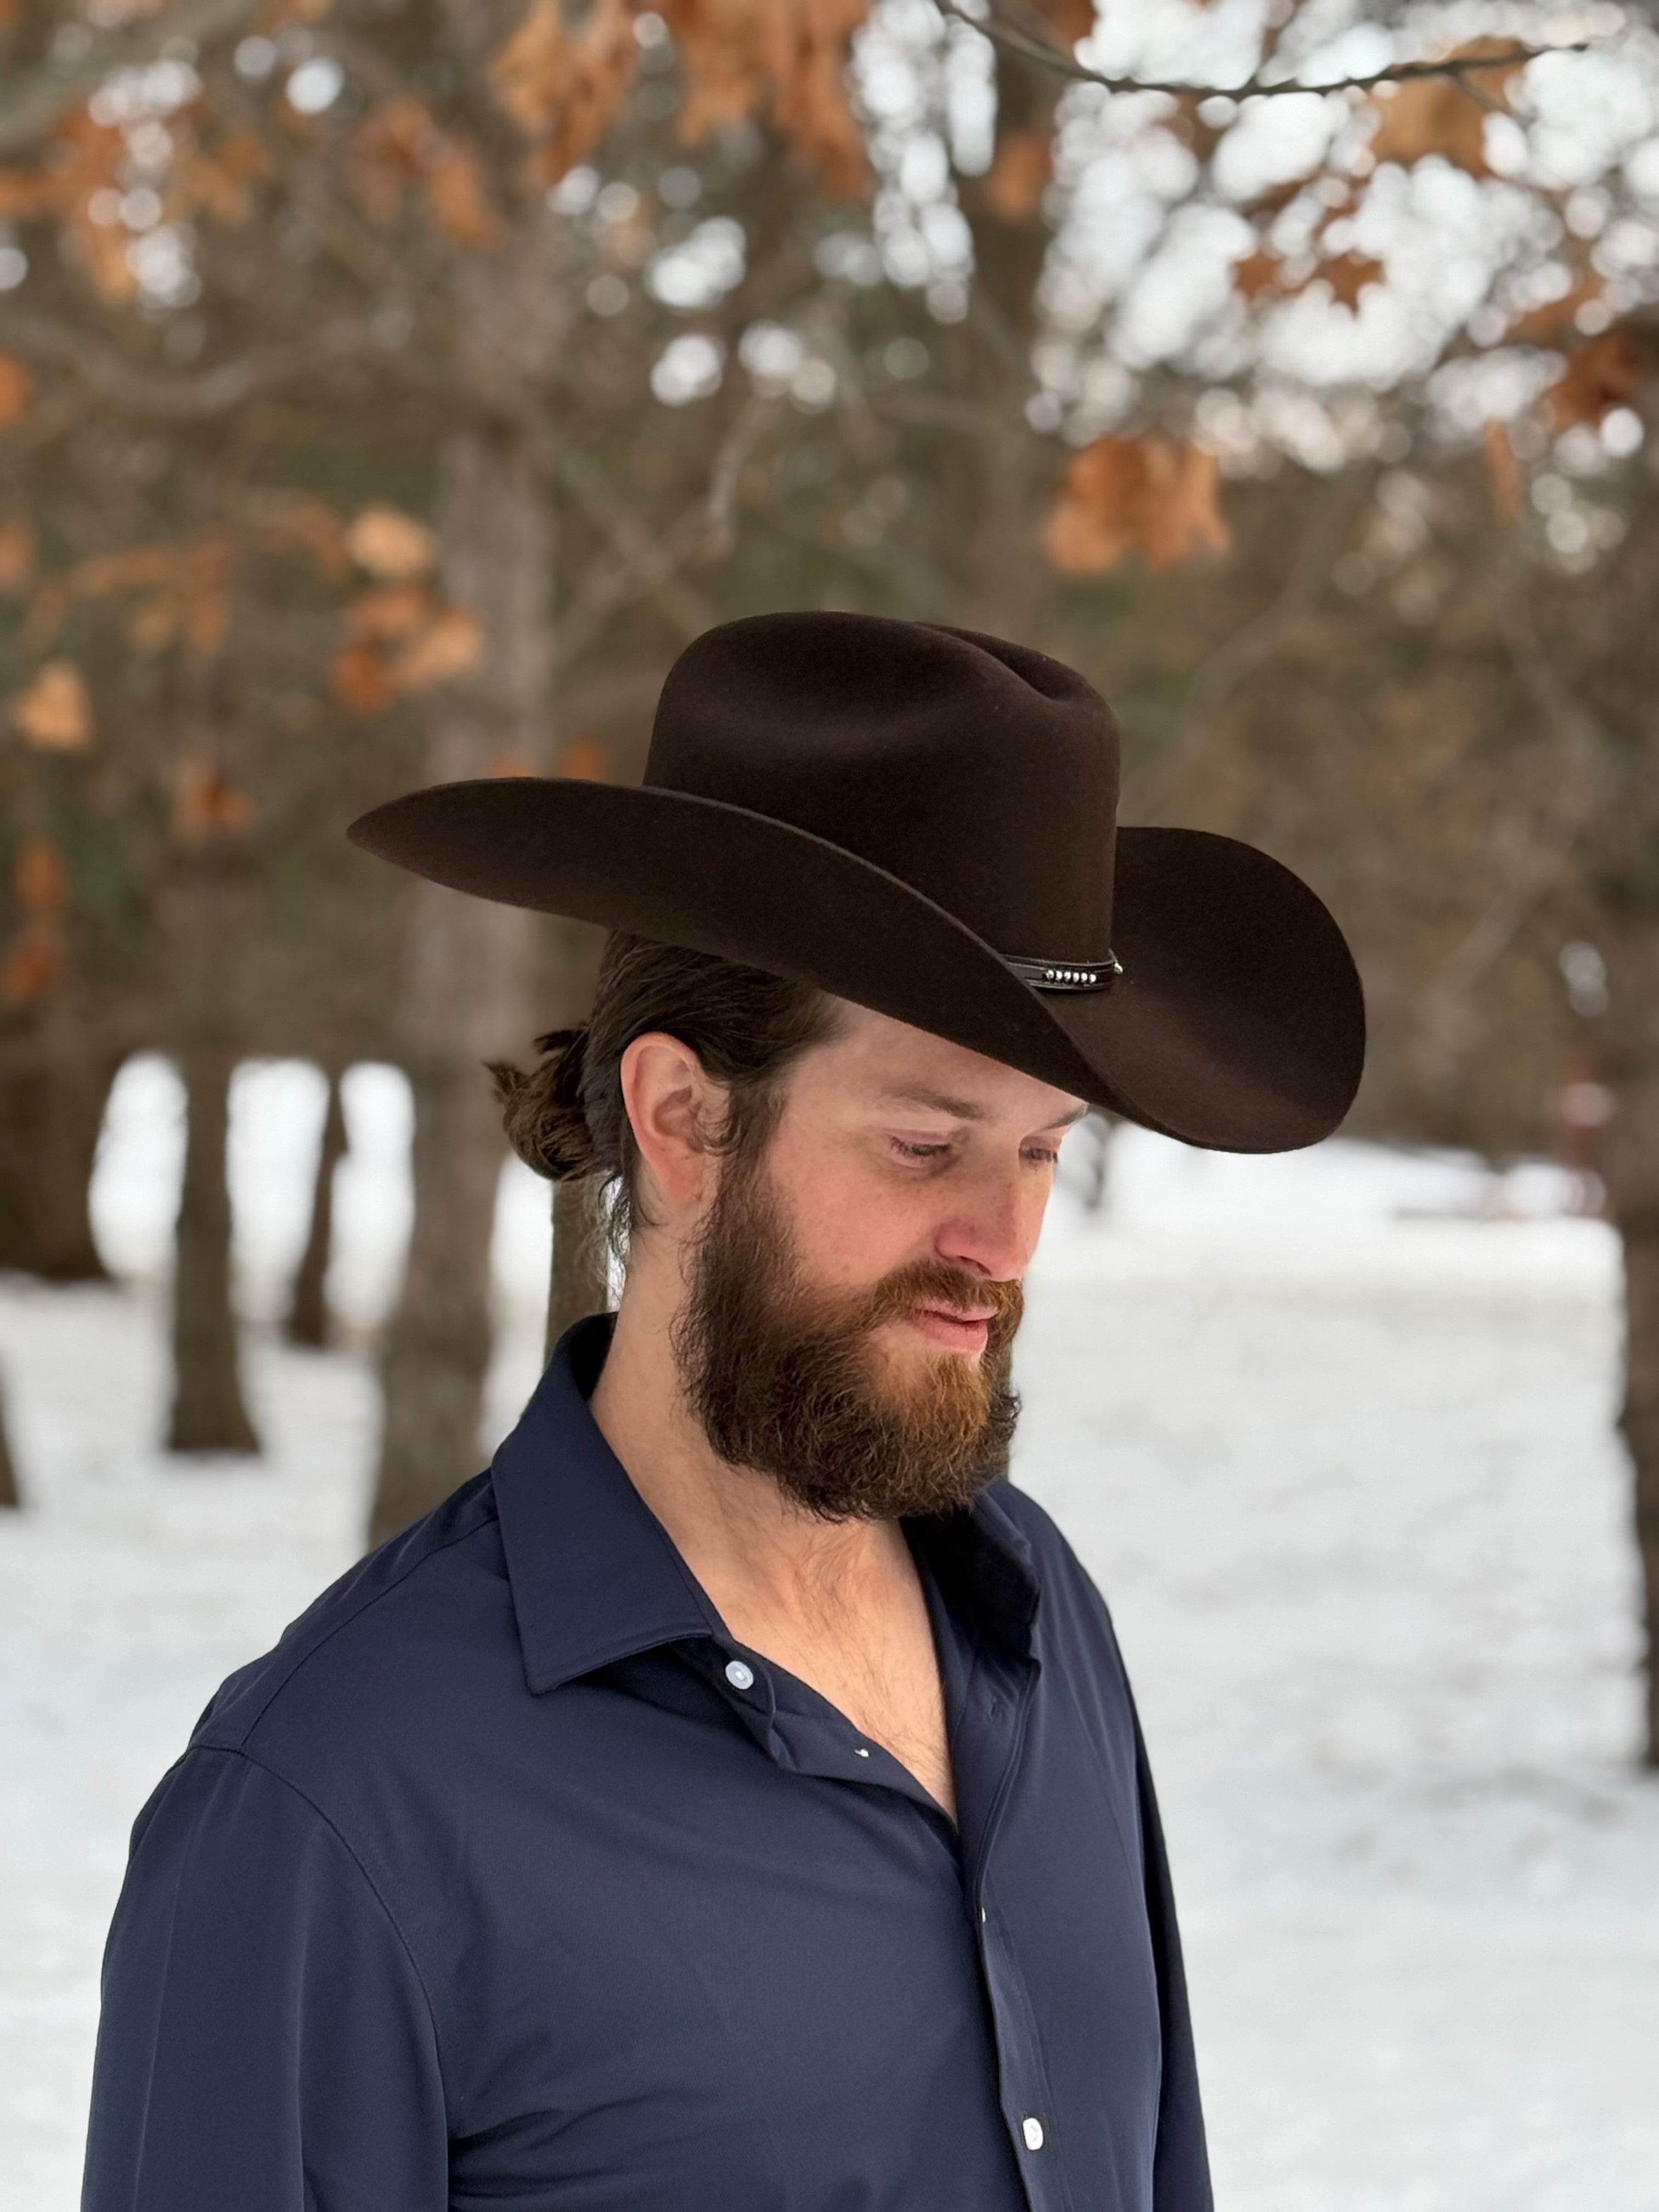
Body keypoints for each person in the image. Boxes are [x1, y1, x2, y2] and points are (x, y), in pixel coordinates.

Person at [82, 613, 1363, 2212]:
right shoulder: (336, 1807)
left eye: (1043, 1151)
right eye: (926, 1144)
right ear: (683, 1120)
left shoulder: (1035, 1623)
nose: (1005, 1242)